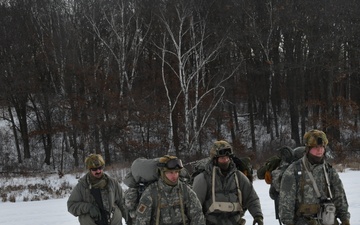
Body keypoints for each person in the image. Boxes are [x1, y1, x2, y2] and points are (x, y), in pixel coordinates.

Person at [279, 129, 351, 225]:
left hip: (327, 220)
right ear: (308, 148)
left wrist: (345, 219)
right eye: (316, 147)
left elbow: (340, 196)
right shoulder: (293, 171)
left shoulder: (329, 170)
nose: (319, 150)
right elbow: (286, 204)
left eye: (322, 147)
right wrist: (288, 222)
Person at [192, 140, 264, 225]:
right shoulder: (203, 178)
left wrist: (258, 215)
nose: (225, 160)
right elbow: (195, 206)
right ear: (215, 160)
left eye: (227, 158)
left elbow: (251, 198)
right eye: (222, 158)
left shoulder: (238, 177)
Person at [135, 155, 205, 225]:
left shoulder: (186, 191)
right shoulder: (151, 193)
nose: (174, 176)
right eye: (170, 172)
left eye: (176, 172)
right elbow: (141, 221)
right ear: (162, 173)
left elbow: (197, 216)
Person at [67, 154, 127, 225]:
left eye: (100, 168)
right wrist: (88, 208)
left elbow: (122, 203)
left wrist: (129, 220)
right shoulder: (82, 186)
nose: (98, 171)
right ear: (89, 169)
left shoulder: (112, 183)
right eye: (94, 169)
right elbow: (71, 205)